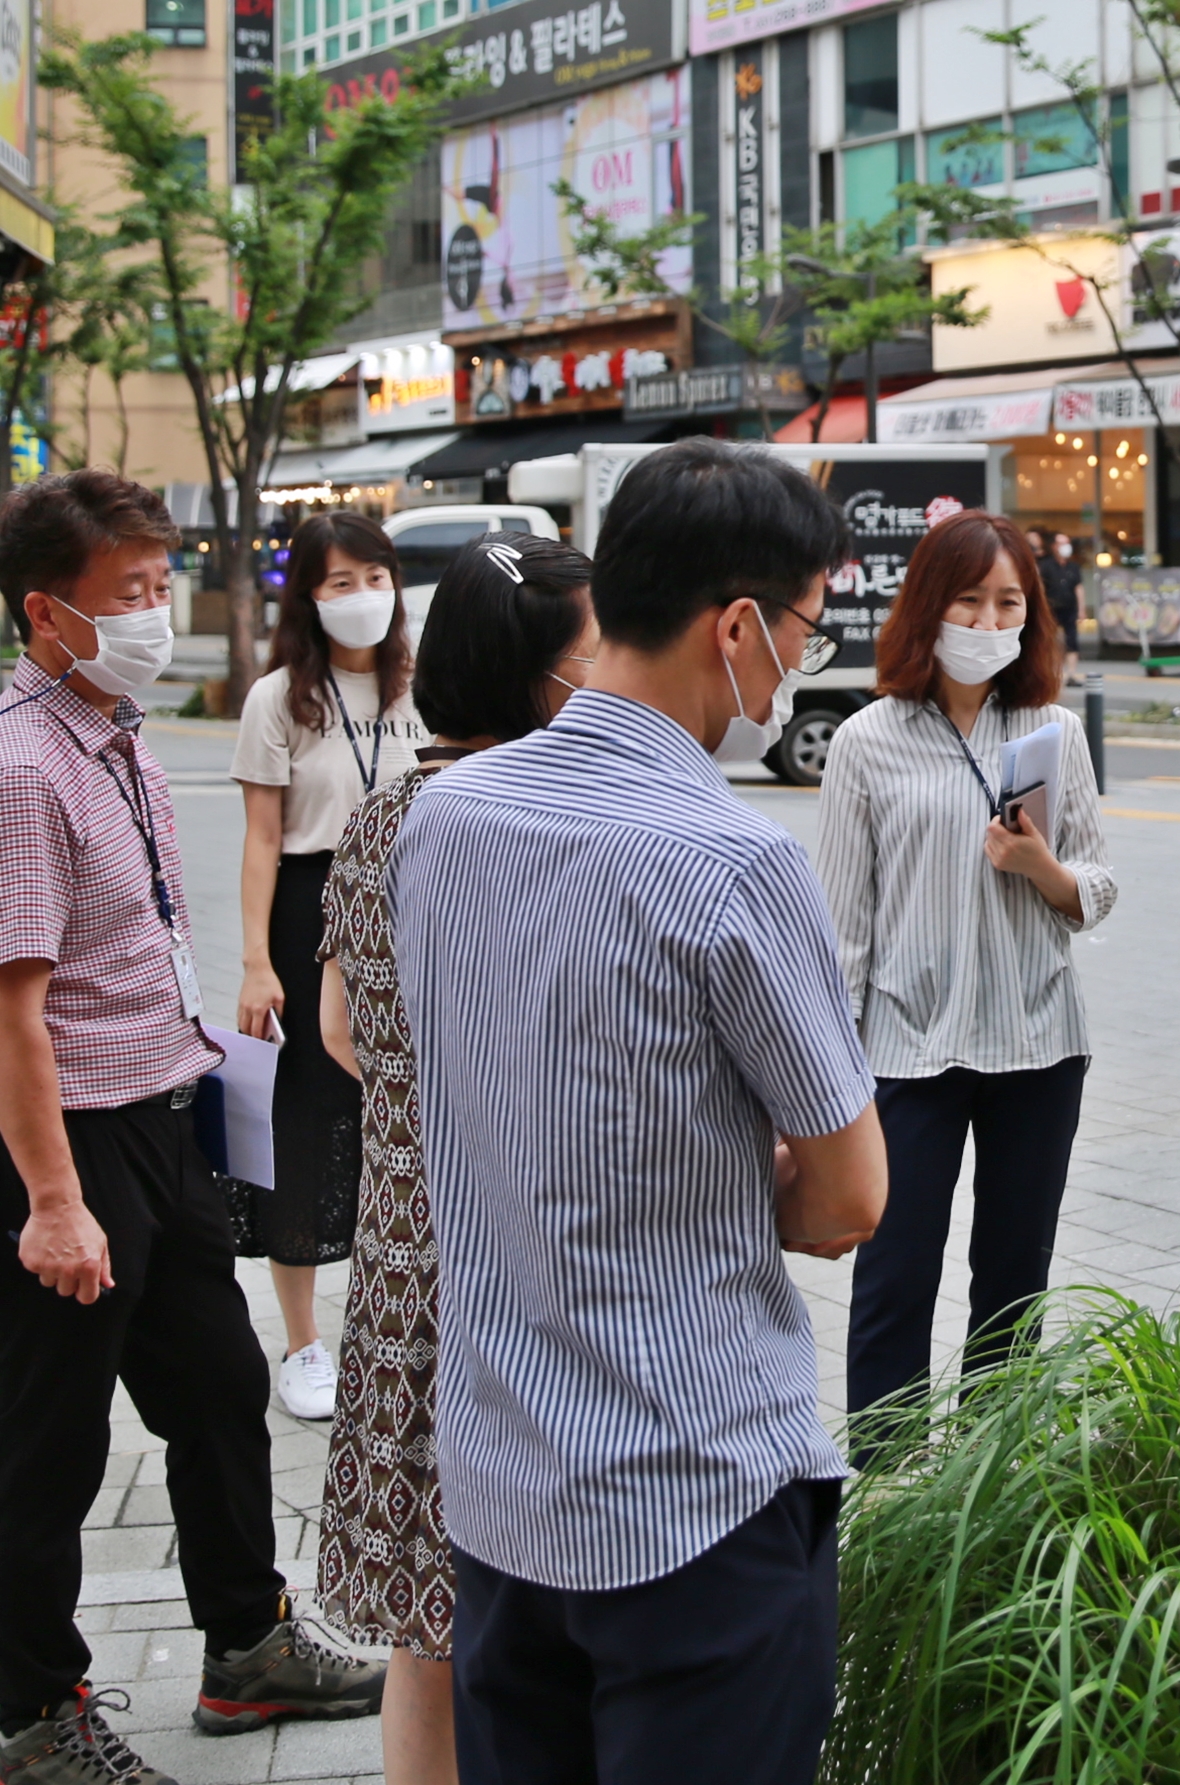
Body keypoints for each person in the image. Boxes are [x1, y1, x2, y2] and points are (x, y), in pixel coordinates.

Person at [386, 439, 887, 1784]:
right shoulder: (732, 863)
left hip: (500, 1484)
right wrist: (737, 1180)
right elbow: (849, 1199)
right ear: (733, 626)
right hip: (694, 1492)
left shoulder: (444, 820)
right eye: (797, 630)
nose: (793, 666)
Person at [1, 471, 382, 1785]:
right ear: (48, 614)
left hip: (163, 1119)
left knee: (220, 1390)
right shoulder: (22, 762)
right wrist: (53, 1200)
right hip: (75, 1142)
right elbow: (14, 1015)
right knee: (46, 1440)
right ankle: (33, 1713)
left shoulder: (111, 731)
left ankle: (245, 1646)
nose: (157, 617)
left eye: (163, 587)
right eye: (131, 596)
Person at [314, 533, 597, 1785]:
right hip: (522, 1263)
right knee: (552, 1598)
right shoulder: (542, 821)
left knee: (427, 1623)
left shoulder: (384, 817)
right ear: (539, 677)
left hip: (400, 1255)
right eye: (595, 650)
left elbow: (339, 1028)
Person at [814, 511, 1114, 1418]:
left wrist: (1044, 870)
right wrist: (835, 1074)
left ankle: (994, 1481)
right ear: (926, 609)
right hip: (906, 1050)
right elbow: (843, 928)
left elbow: (1097, 884)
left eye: (1008, 603)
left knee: (1014, 1284)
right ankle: (888, 1487)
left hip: (1038, 1039)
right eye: (969, 600)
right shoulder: (867, 739)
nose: (988, 623)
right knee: (895, 1277)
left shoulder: (1054, 729)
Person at [229, 512, 427, 1421]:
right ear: (308, 595)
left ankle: (406, 1322)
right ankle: (304, 1343)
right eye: (339, 581)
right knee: (307, 1123)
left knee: (414, 1117)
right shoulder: (278, 697)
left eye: (375, 576)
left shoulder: (422, 683)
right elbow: (263, 839)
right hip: (313, 909)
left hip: (417, 903)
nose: (362, 598)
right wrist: (255, 962)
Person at [1038, 530, 1086, 664]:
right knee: (1050, 639)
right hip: (1051, 608)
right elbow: (1041, 587)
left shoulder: (1073, 567)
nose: (1065, 546)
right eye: (1061, 543)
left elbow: (1078, 587)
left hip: (1070, 608)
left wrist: (1081, 609)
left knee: (1072, 639)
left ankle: (1071, 674)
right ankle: (1053, 669)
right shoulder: (1046, 566)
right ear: (1054, 546)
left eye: (1067, 543)